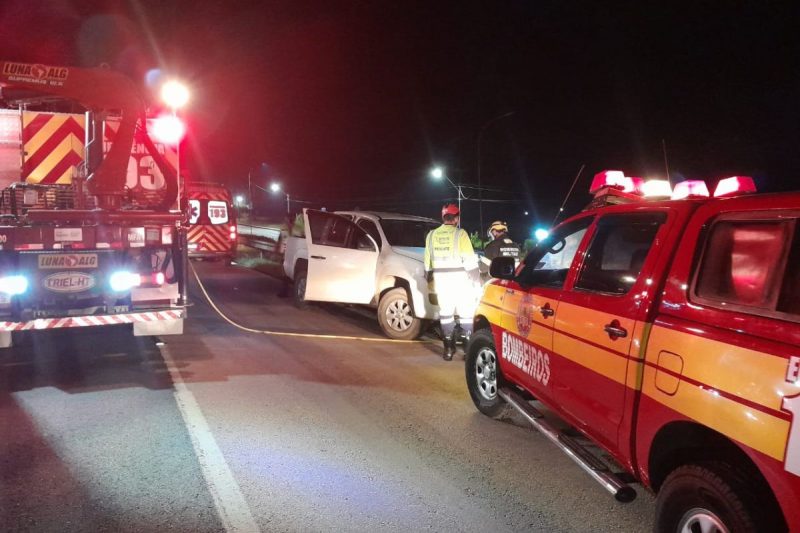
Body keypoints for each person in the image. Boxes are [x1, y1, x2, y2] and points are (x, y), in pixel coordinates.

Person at [424, 204, 481, 360]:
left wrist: (430, 282)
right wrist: (477, 282)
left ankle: (448, 350)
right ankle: (468, 352)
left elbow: (427, 265)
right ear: (457, 218)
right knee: (466, 314)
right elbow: (470, 261)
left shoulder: (431, 235)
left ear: (443, 218)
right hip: (461, 281)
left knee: (446, 314)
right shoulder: (460, 234)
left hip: (442, 282)